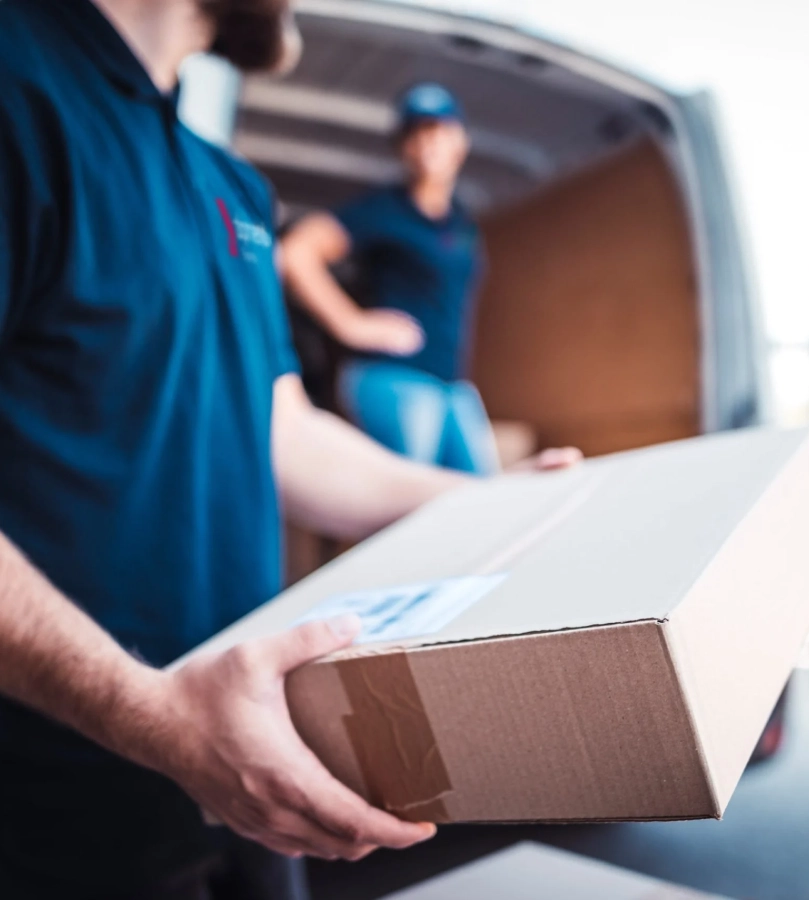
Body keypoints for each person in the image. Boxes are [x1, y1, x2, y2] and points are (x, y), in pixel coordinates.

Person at [0, 2, 581, 899]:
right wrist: (152, 717)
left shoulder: (231, 187)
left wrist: (479, 497)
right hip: (56, 810)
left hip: (252, 775)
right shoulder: (18, 83)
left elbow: (284, 434)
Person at [281, 83, 500, 474]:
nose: (427, 143)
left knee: (484, 490)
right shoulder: (384, 210)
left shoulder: (462, 224)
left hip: (453, 383)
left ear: (460, 142)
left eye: (438, 130)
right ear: (403, 147)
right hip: (395, 377)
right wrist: (351, 324)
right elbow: (296, 252)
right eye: (415, 133)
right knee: (410, 494)